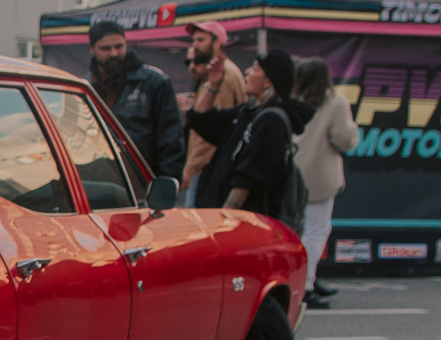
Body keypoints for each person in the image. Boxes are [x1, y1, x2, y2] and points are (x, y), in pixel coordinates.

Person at [185, 50, 313, 227]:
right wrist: (213, 85)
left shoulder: (271, 121)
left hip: (243, 224)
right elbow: (201, 121)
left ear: (268, 81)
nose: (247, 72)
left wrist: (226, 219)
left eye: (255, 69)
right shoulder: (248, 112)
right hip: (220, 216)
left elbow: (247, 180)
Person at [292, 57, 359, 309]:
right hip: (320, 178)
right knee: (316, 232)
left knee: (295, 232)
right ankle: (306, 286)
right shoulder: (335, 102)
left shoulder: (291, 99)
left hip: (293, 175)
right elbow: (344, 139)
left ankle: (307, 278)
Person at [86, 19, 184, 181]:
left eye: (119, 46)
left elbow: (171, 142)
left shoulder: (154, 82)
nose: (114, 54)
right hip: (98, 182)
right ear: (92, 49)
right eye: (106, 48)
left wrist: (164, 187)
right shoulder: (86, 88)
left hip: (143, 183)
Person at [180, 21, 246, 202]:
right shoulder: (215, 72)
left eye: (201, 40)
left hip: (208, 169)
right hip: (208, 168)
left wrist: (191, 168)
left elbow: (210, 132)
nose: (196, 46)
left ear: (218, 43)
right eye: (194, 41)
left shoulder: (222, 75)